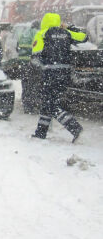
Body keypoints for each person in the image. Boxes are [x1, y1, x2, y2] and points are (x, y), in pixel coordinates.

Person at [30, 12, 87, 142]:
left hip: (50, 73)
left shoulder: (42, 33)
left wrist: (40, 68)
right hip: (65, 73)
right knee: (48, 103)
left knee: (50, 104)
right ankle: (40, 133)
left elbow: (35, 56)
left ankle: (74, 127)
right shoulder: (66, 33)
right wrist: (70, 27)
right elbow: (84, 37)